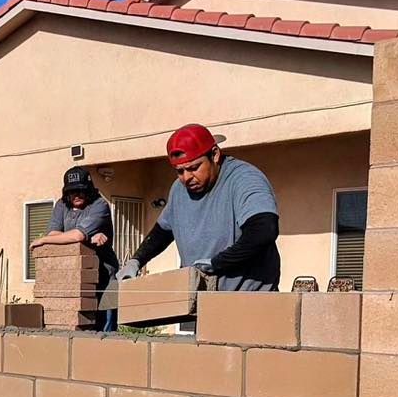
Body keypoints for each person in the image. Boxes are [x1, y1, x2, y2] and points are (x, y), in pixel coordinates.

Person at [116, 125, 281, 291]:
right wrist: (136, 261)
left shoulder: (245, 179)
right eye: (180, 171)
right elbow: (163, 232)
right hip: (200, 302)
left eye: (194, 168)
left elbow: (264, 231)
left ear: (215, 155)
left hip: (250, 300)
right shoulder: (179, 190)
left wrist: (218, 263)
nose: (187, 177)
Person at [31, 166, 120, 331]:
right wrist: (87, 239)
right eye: (72, 191)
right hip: (73, 280)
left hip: (104, 277)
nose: (77, 195)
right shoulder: (61, 205)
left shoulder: (99, 205)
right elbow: (54, 233)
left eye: (81, 190)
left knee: (106, 330)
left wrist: (47, 239)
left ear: (89, 190)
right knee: (77, 329)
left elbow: (77, 235)